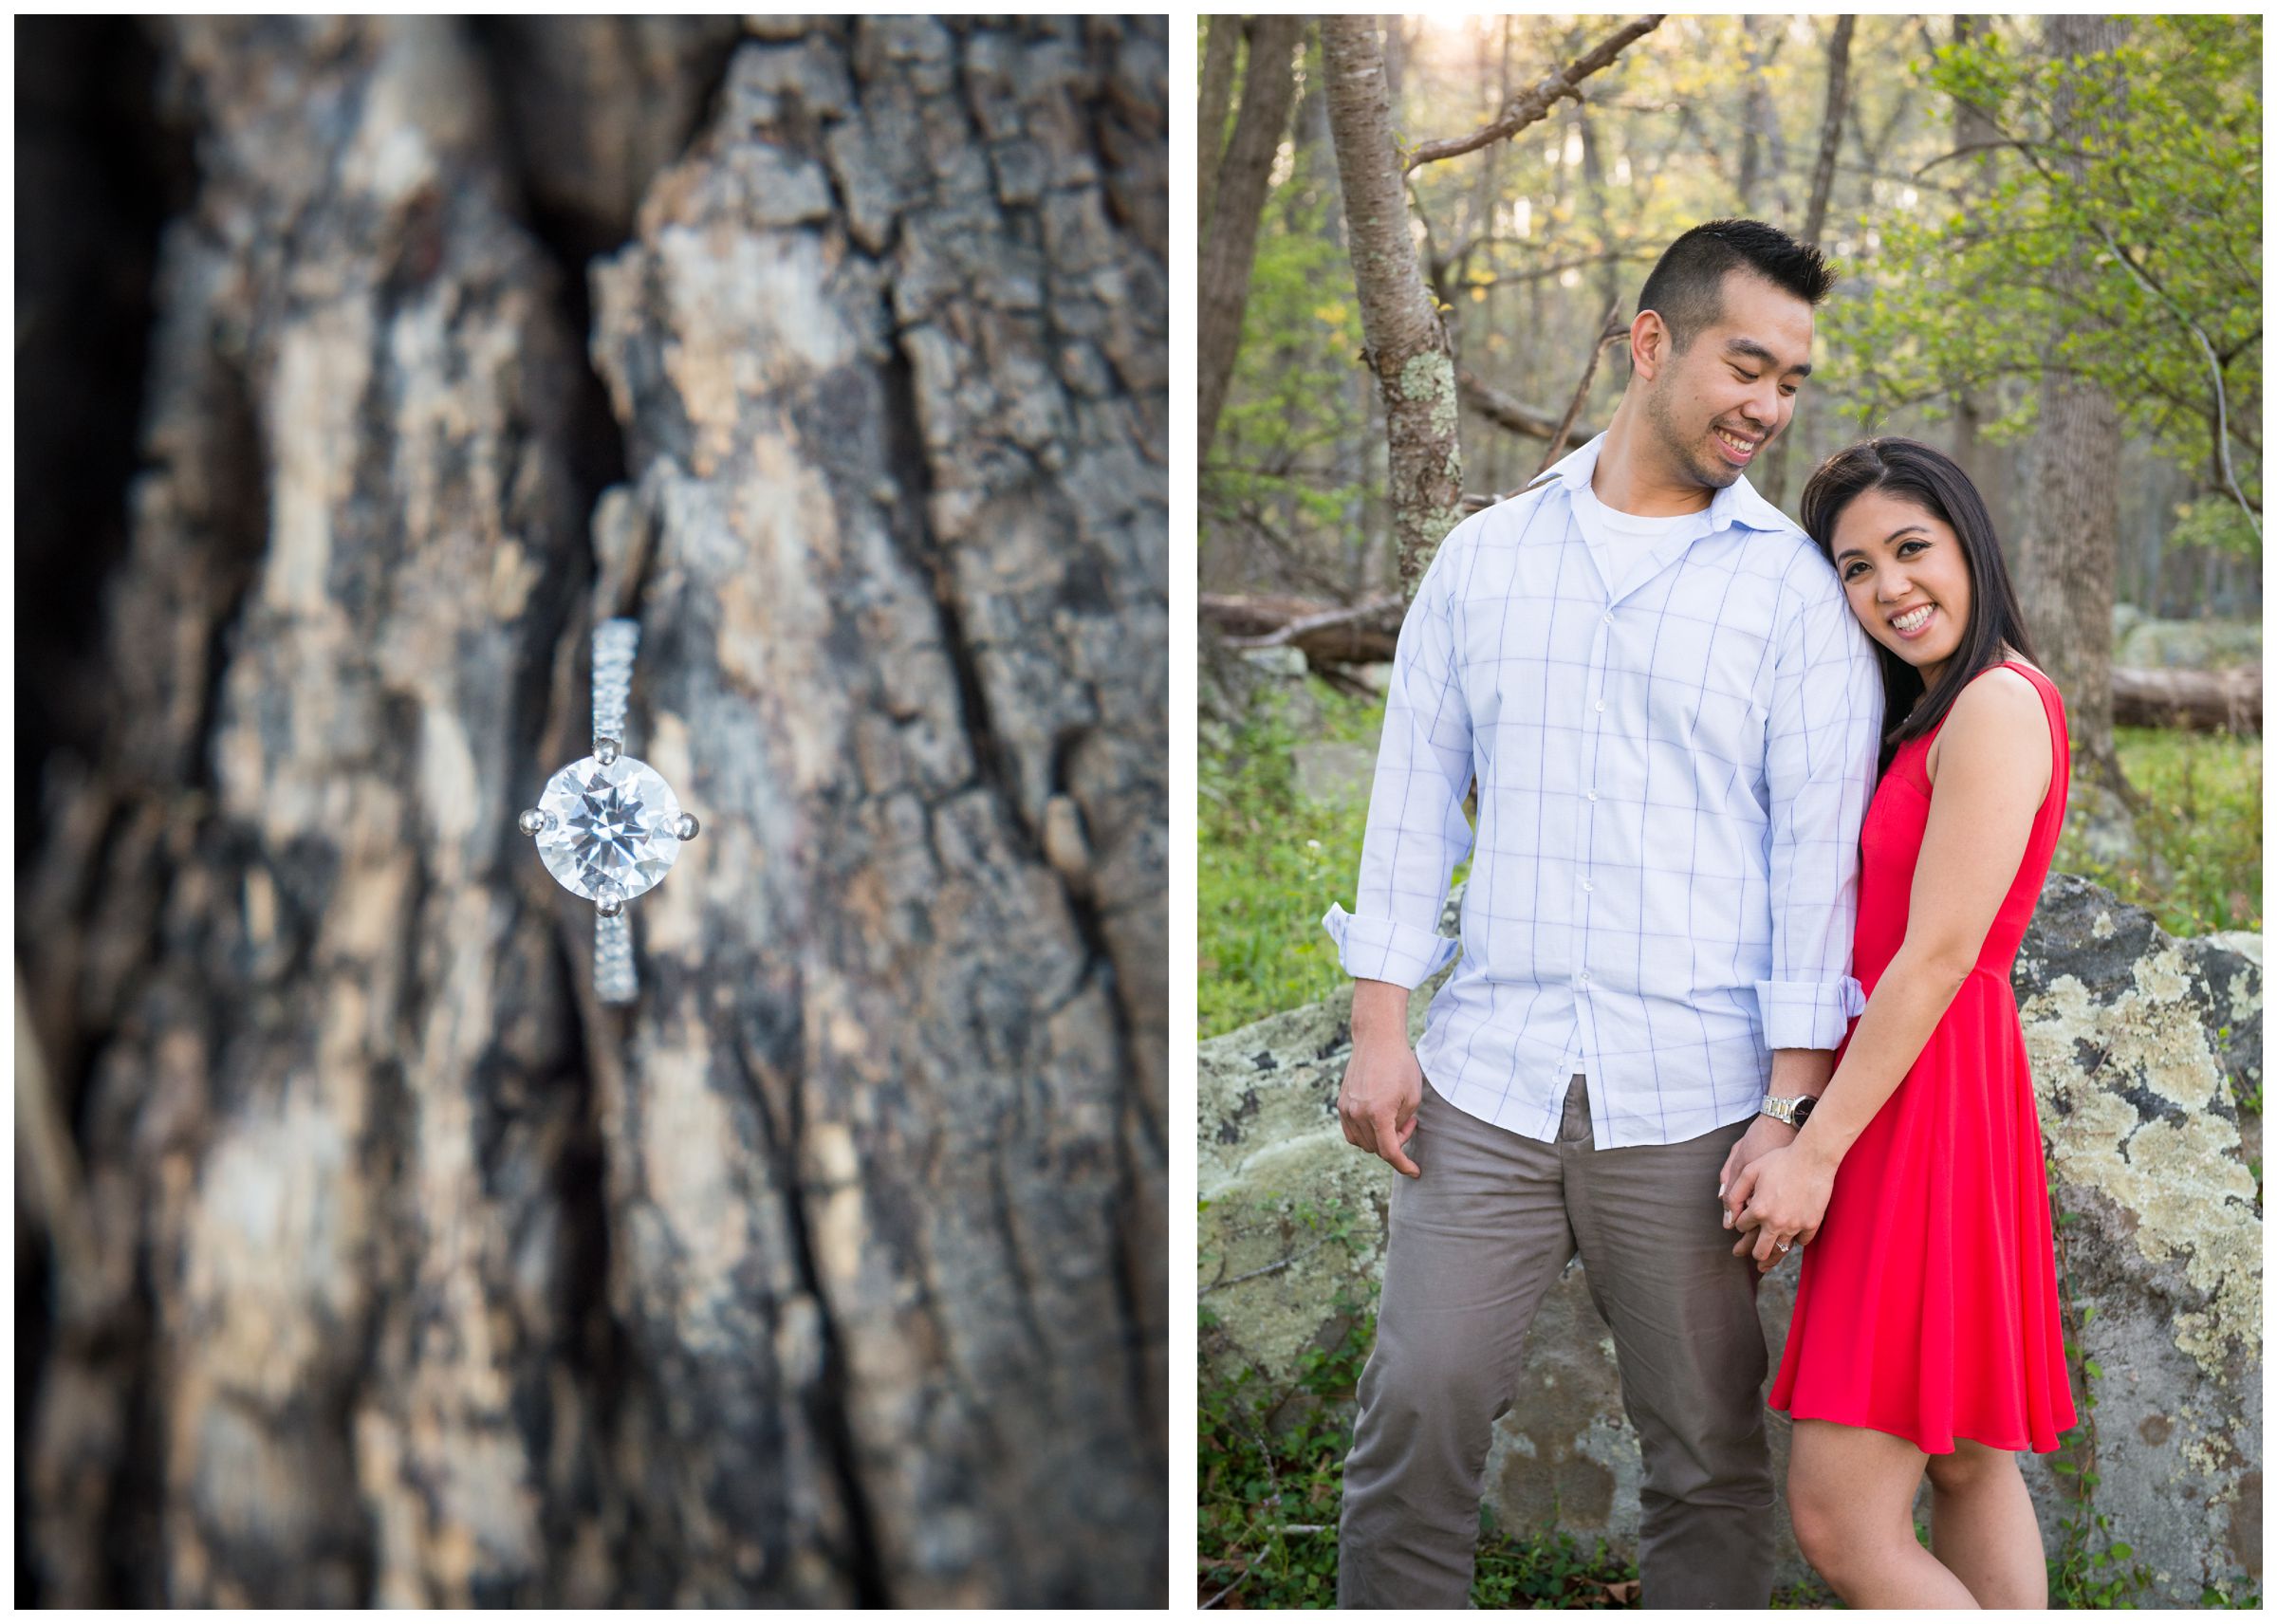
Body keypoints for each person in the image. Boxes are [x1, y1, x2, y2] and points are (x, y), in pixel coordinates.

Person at [1321, 218, 1883, 1608]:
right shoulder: (1485, 561)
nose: (1768, 404)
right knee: (1419, 1413)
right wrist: (1380, 1029)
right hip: (1488, 1082)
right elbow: (1408, 811)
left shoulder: (1797, 601)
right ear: (1651, 344)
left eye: (1793, 381)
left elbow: (1821, 876)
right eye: (1746, 365)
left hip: (1696, 1099)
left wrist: (1787, 1112)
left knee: (1704, 1449)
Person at [1725, 437, 2077, 1606]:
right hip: (1930, 1087)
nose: (1889, 588)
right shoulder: (1929, 711)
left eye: (1911, 548)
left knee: (1839, 1519)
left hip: (1922, 1100)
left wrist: (1813, 1149)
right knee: (1968, 1457)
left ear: (1969, 541)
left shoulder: (1996, 703)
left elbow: (1934, 957)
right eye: (1856, 567)